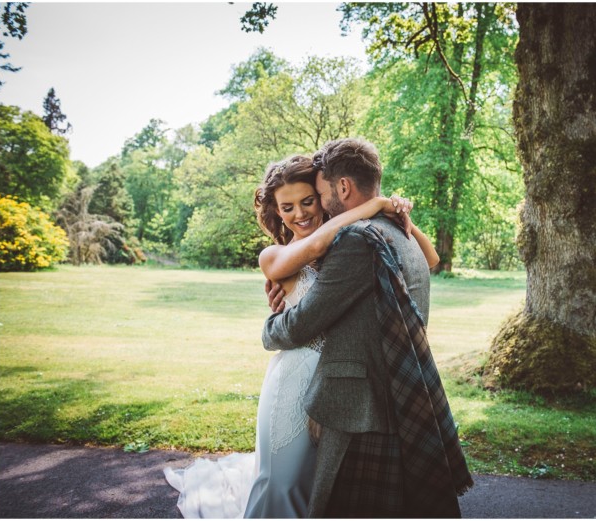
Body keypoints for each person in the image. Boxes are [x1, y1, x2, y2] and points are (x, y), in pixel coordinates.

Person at [163, 154, 436, 518]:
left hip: (334, 387)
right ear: (275, 212)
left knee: (315, 489)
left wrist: (402, 216)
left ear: (324, 198)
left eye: (308, 201)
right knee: (282, 482)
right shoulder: (275, 255)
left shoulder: (346, 246)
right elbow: (314, 247)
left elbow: (429, 259)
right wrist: (372, 205)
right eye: (286, 207)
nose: (300, 214)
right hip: (292, 381)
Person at [262, 138, 473, 518]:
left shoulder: (360, 239)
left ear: (341, 188)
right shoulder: (395, 235)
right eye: (287, 207)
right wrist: (382, 205)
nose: (311, 209)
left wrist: (269, 329)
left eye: (316, 196)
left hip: (359, 400)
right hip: (377, 389)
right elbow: (430, 259)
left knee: (331, 502)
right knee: (289, 485)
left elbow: (303, 323)